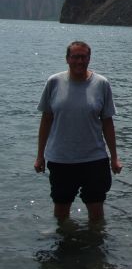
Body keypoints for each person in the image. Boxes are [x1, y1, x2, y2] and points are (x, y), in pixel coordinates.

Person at [34, 41, 123, 221]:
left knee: (96, 209)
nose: (79, 61)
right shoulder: (54, 82)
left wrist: (114, 157)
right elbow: (46, 120)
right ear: (67, 59)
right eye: (75, 57)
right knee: (61, 208)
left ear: (89, 59)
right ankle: (64, 242)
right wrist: (39, 155)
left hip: (94, 159)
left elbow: (107, 122)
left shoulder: (101, 84)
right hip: (61, 159)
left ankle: (95, 243)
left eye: (83, 57)